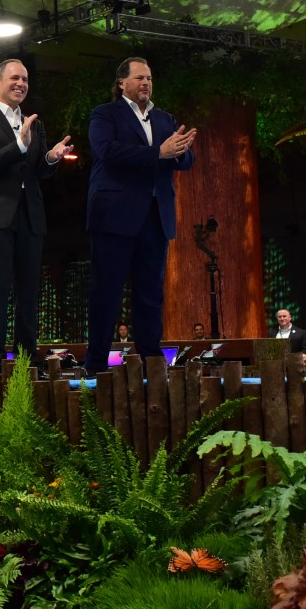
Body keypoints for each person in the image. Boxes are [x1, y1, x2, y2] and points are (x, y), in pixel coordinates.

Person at [84, 57, 197, 374]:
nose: (146, 83)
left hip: (155, 215)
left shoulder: (164, 119)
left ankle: (152, 361)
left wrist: (182, 151)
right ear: (122, 82)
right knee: (107, 292)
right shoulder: (105, 114)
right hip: (114, 215)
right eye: (139, 78)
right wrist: (158, 152)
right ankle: (96, 364)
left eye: (149, 78)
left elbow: (186, 160)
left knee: (150, 293)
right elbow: (107, 152)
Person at [0, 58, 73, 373]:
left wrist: (51, 157)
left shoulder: (34, 123)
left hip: (30, 214)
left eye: (25, 79)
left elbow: (38, 170)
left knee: (28, 290)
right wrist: (19, 145)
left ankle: (27, 359)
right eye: (14, 78)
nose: (21, 84)